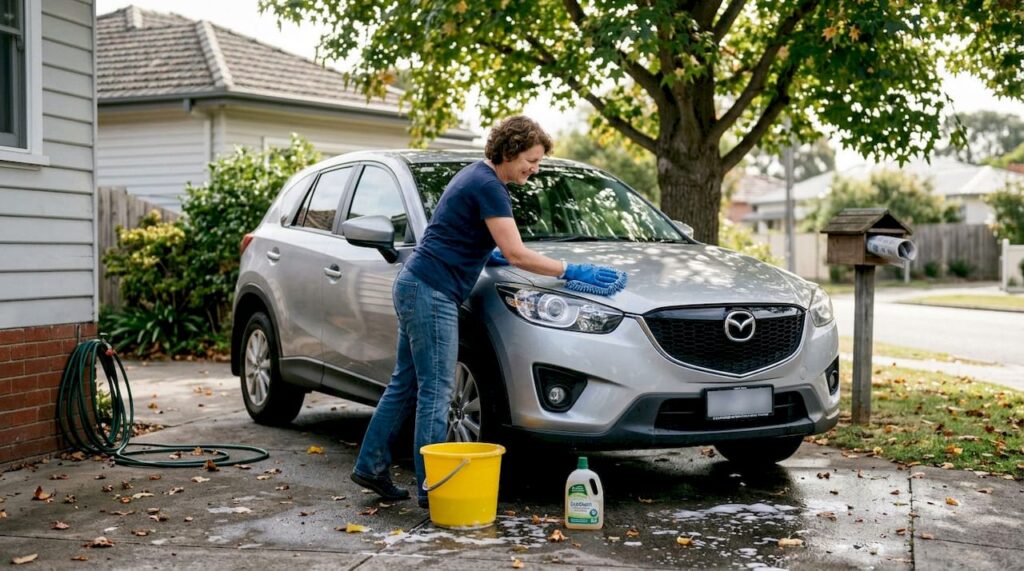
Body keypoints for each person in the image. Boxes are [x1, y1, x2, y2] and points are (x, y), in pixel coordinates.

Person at [351, 115, 624, 508]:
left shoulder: (474, 177)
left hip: (416, 284)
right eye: (531, 160)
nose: (535, 168)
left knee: (406, 384)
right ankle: (435, 487)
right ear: (510, 152)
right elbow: (516, 253)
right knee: (436, 391)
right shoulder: (488, 186)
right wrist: (571, 270)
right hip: (432, 291)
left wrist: (484, 251)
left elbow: (457, 233)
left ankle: (371, 466)